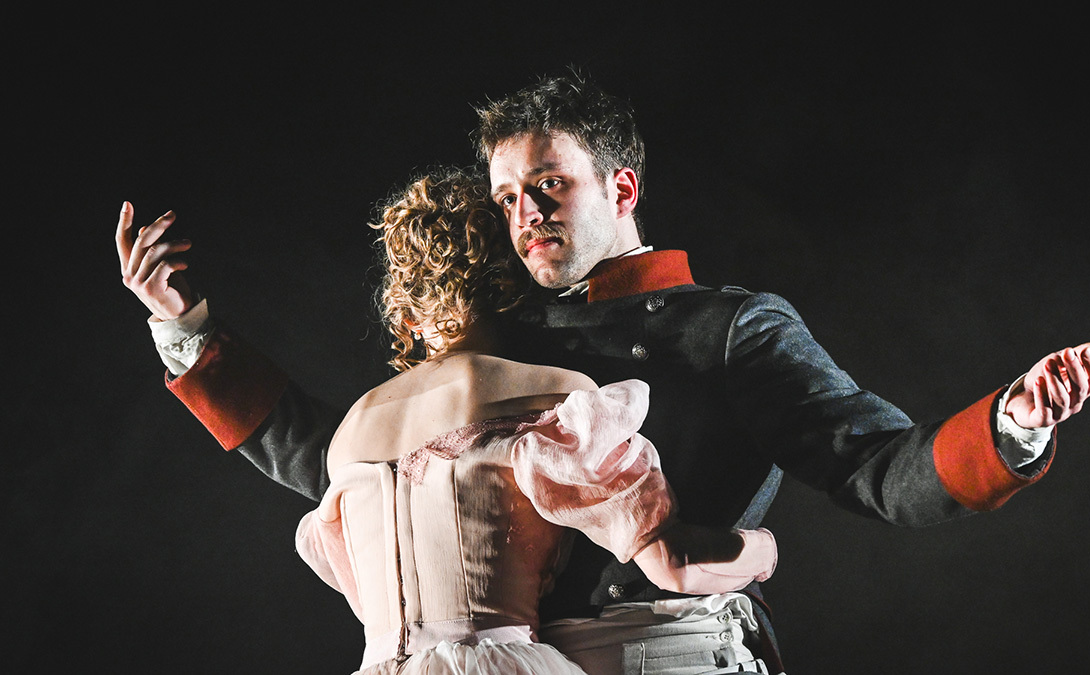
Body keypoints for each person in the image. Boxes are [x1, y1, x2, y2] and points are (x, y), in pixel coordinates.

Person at [119, 72, 1090, 674]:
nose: (526, 215)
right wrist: (185, 329)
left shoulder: (729, 328)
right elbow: (348, 465)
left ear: (621, 185)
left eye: (549, 185)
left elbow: (879, 469)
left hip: (670, 658)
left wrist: (1012, 425)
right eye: (508, 197)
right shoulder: (496, 343)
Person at [118, 167, 779, 674]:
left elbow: (292, 443)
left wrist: (182, 323)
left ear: (405, 313)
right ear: (513, 288)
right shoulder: (558, 398)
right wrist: (762, 550)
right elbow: (675, 563)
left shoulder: (351, 435)